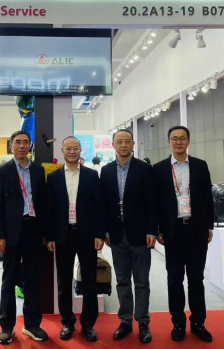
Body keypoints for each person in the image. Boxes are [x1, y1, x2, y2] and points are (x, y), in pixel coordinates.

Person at [154, 126, 214, 343]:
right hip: (173, 231)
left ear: (188, 141)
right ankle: (178, 323)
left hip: (197, 229)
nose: (178, 142)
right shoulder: (159, 168)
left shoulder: (200, 165)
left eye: (182, 138)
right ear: (168, 141)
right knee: (174, 279)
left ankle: (198, 322)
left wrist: (209, 226)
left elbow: (207, 197)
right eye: (174, 138)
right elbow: (156, 202)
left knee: (196, 279)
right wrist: (159, 228)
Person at [0, 131, 48, 344]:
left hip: (34, 229)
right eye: (18, 142)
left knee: (33, 279)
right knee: (9, 279)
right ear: (11, 146)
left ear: (30, 146)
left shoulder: (38, 170)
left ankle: (32, 325)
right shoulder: (2, 171)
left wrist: (45, 233)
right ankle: (7, 327)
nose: (22, 146)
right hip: (11, 233)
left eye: (26, 142)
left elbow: (43, 204)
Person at [100, 129, 156, 344]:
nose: (123, 145)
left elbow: (152, 202)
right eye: (119, 142)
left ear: (133, 144)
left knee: (141, 281)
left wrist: (151, 230)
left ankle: (143, 322)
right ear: (113, 145)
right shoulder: (106, 171)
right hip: (116, 234)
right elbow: (104, 204)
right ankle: (125, 320)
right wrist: (105, 229)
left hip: (140, 234)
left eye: (127, 141)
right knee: (122, 280)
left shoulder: (144, 169)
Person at [46, 137, 104, 342]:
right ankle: (67, 322)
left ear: (81, 151)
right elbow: (49, 210)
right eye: (68, 148)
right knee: (63, 280)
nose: (72, 152)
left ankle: (88, 324)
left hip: (87, 234)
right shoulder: (53, 177)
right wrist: (50, 237)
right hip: (63, 234)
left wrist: (99, 234)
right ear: (62, 151)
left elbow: (99, 208)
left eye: (75, 148)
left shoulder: (91, 175)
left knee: (89, 280)